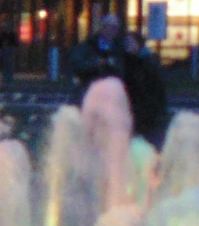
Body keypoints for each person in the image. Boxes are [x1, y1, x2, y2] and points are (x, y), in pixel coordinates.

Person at [72, 12, 168, 145]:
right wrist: (98, 65)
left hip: (120, 102)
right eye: (108, 27)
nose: (111, 31)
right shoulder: (88, 46)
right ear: (101, 27)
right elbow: (78, 66)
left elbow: (135, 75)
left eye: (114, 28)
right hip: (94, 96)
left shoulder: (122, 49)